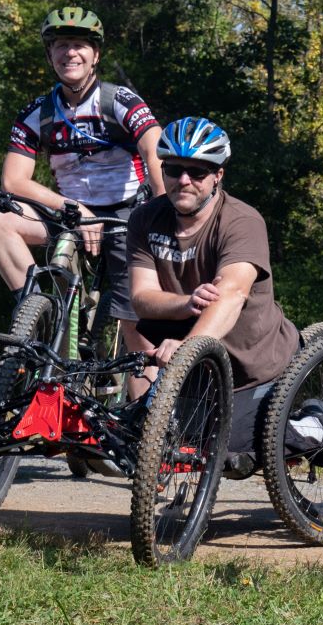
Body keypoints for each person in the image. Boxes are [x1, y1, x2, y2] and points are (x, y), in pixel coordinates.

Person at [0, 6, 165, 336]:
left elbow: (156, 154)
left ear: (95, 54)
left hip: (125, 216)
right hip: (68, 213)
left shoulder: (119, 101)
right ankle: (37, 316)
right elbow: (13, 180)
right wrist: (75, 210)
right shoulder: (37, 113)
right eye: (61, 44)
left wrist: (164, 213)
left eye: (79, 44)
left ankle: (140, 385)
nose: (70, 52)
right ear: (50, 54)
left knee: (136, 332)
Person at [126, 118, 302, 453]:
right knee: (169, 437)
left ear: (218, 175)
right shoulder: (145, 218)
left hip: (253, 363)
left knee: (235, 448)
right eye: (174, 169)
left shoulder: (241, 221)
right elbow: (141, 298)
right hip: (197, 365)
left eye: (198, 172)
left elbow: (232, 295)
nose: (184, 181)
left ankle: (321, 423)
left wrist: (185, 348)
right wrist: (186, 302)